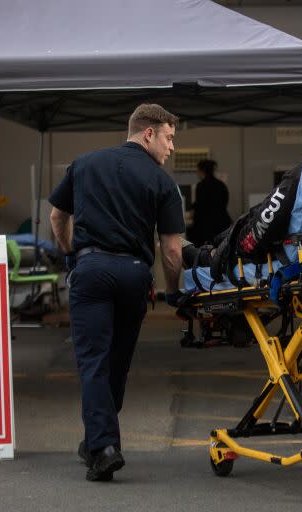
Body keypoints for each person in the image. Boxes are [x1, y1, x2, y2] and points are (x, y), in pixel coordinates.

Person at [48, 103, 184, 482]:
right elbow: (172, 251)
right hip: (134, 276)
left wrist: (70, 251)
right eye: (169, 138)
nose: (171, 148)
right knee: (117, 363)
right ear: (148, 134)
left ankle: (102, 444)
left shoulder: (85, 163)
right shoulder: (162, 183)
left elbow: (57, 216)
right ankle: (100, 441)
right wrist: (174, 293)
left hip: (91, 271)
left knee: (93, 361)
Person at [182, 104, 302, 274]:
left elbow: (268, 219)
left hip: (295, 256)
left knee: (242, 229)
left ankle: (206, 255)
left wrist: (236, 246)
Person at [189, 159, 231, 246]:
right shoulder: (221, 185)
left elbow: (200, 207)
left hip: (205, 229)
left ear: (202, 171)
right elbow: (224, 203)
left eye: (198, 171)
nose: (197, 173)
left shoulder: (201, 186)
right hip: (222, 225)